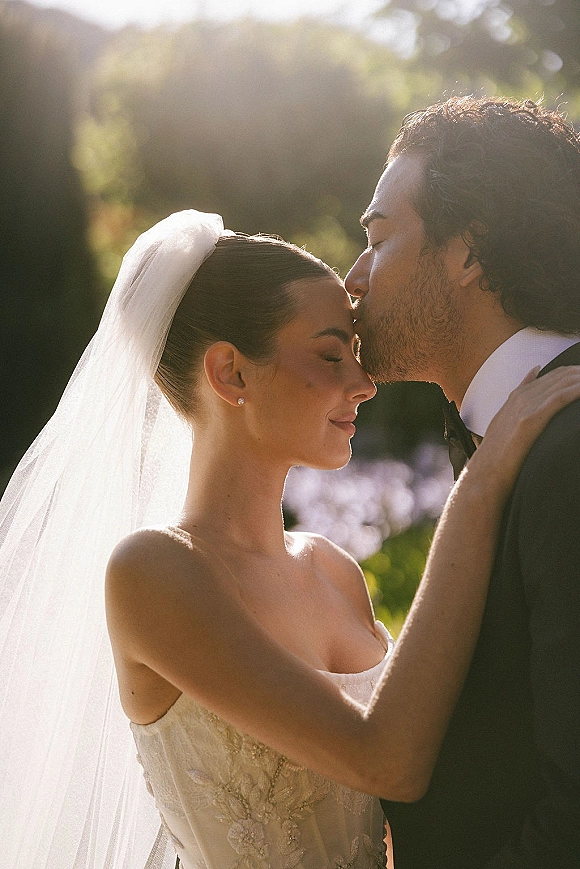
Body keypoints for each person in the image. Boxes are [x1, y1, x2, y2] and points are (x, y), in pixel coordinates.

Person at [0, 212, 578, 869]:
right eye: (332, 355)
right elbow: (383, 758)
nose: (364, 383)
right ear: (231, 373)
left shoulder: (335, 572)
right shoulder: (153, 572)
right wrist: (481, 483)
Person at [346, 95, 580, 868]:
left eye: (377, 239)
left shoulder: (569, 451)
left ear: (469, 251)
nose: (352, 277)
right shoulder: (512, 435)